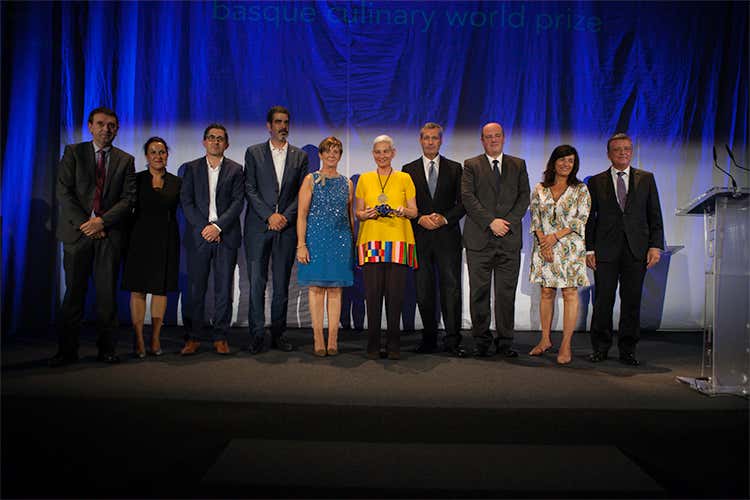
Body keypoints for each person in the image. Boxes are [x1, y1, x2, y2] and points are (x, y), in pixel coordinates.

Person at [50, 107, 136, 366]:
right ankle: (67, 351)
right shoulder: (73, 153)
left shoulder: (125, 160)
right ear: (90, 126)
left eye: (111, 125)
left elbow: (128, 199)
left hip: (108, 236)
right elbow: (64, 192)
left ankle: (107, 350)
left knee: (107, 297)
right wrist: (86, 224)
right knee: (73, 295)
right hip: (77, 235)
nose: (105, 129)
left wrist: (101, 222)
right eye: (100, 124)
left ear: (117, 129)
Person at [585, 133, 664, 366]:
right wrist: (589, 249)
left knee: (631, 301)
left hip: (636, 250)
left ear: (632, 152)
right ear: (608, 154)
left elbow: (655, 215)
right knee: (603, 301)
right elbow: (589, 219)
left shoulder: (646, 178)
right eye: (617, 149)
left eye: (627, 149)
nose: (622, 153)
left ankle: (628, 350)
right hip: (605, 250)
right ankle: (600, 348)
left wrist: (655, 246)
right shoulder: (595, 181)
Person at [244, 106, 309, 354]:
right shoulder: (254, 152)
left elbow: (302, 193)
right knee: (256, 284)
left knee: (281, 285)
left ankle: (278, 334)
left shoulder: (300, 156)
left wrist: (284, 217)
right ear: (269, 126)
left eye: (286, 122)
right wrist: (269, 215)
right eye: (278, 122)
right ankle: (257, 335)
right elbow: (249, 188)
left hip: (286, 228)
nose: (283, 126)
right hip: (258, 227)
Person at [462, 122, 530, 358]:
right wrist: (491, 222)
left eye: (497, 135)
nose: (493, 139)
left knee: (505, 294)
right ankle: (481, 341)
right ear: (482, 140)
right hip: (479, 240)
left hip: (508, 240)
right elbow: (468, 198)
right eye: (488, 136)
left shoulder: (518, 164)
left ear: (503, 137)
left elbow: (524, 198)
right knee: (479, 293)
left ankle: (505, 342)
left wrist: (506, 223)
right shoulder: (471, 165)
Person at [179, 124, 244, 355]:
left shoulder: (236, 170)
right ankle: (193, 337)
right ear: (204, 141)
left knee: (223, 289)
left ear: (226, 144)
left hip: (226, 236)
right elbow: (186, 202)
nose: (215, 142)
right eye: (211, 137)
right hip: (199, 236)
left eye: (220, 138)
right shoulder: (191, 168)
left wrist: (217, 227)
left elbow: (238, 202)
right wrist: (205, 228)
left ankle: (220, 336)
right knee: (196, 289)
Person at [402, 123, 466, 357]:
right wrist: (420, 218)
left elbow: (464, 203)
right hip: (420, 238)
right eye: (426, 138)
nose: (430, 142)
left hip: (448, 238)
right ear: (420, 140)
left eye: (434, 138)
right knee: (423, 290)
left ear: (441, 141)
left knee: (451, 289)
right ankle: (428, 339)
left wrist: (444, 218)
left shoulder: (455, 168)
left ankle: (452, 340)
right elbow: (404, 204)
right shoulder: (408, 170)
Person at [355, 135, 418, 360]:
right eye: (378, 152)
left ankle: (394, 345)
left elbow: (414, 211)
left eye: (386, 151)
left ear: (393, 153)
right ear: (373, 154)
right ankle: (373, 345)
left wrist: (402, 210)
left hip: (398, 242)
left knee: (395, 297)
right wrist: (365, 214)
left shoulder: (404, 178)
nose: (382, 156)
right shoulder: (364, 179)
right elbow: (358, 213)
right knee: (372, 297)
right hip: (372, 242)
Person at [529, 145, 591, 365]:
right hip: (544, 246)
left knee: (569, 293)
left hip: (569, 249)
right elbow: (535, 219)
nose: (566, 164)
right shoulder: (540, 189)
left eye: (571, 161)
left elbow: (580, 219)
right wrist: (544, 242)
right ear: (553, 162)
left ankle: (566, 344)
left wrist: (555, 237)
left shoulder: (580, 189)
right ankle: (545, 339)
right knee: (546, 292)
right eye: (562, 159)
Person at [122, 137, 181, 358]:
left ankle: (155, 338)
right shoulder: (135, 180)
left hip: (166, 240)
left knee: (160, 289)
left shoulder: (177, 182)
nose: (158, 156)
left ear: (167, 155)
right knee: (138, 289)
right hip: (138, 239)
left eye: (162, 152)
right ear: (146, 156)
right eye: (154, 152)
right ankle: (138, 338)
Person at [296, 136, 354, 357]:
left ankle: (333, 340)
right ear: (320, 155)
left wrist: (353, 244)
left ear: (340, 156)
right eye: (328, 151)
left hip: (341, 242)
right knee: (317, 289)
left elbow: (349, 218)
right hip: (315, 241)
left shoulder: (347, 183)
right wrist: (301, 245)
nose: (332, 155)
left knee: (336, 290)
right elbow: (302, 215)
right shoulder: (310, 180)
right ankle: (318, 338)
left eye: (336, 151)